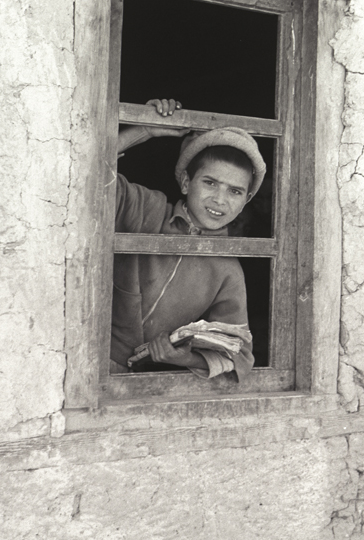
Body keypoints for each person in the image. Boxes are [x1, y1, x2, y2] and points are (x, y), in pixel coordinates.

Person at [112, 98, 266, 381]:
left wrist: (183, 357)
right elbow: (86, 170)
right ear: (185, 183)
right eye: (210, 183)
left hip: (141, 384)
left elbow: (239, 356)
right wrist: (144, 130)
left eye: (234, 191)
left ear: (245, 202)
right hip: (79, 356)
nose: (220, 200)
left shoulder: (227, 271)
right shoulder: (146, 208)